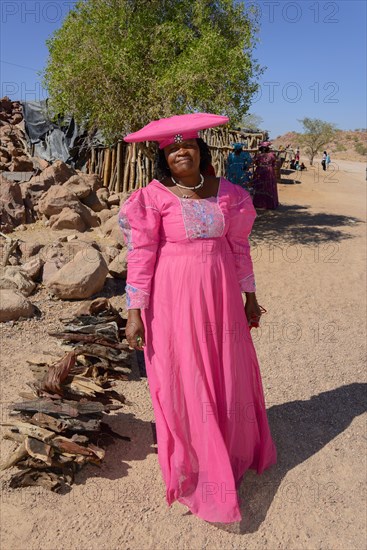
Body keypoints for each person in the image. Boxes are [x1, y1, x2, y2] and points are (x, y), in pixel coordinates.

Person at [118, 113, 277, 524]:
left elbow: (239, 248)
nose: (181, 153)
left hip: (221, 295)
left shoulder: (229, 195)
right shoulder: (151, 198)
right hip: (174, 300)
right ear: (164, 159)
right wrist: (135, 311)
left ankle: (230, 450)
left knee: (227, 369)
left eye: (187, 146)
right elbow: (141, 256)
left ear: (201, 151)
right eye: (172, 150)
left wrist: (250, 298)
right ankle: (199, 466)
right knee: (186, 375)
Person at [252, 141, 279, 209]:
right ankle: (269, 204)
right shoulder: (272, 155)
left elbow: (255, 163)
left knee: (260, 186)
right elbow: (274, 163)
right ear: (268, 148)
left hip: (260, 171)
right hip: (269, 171)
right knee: (268, 186)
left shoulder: (258, 155)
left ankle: (259, 203)